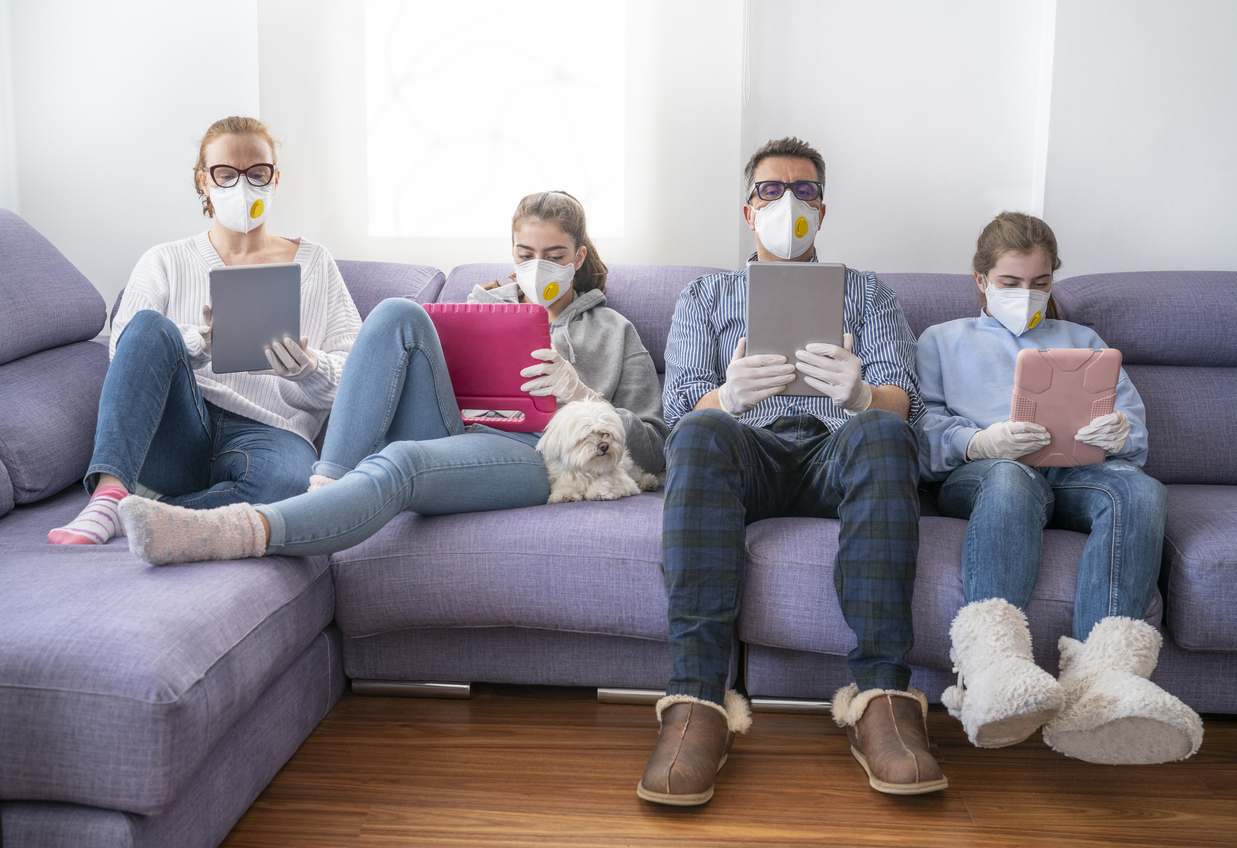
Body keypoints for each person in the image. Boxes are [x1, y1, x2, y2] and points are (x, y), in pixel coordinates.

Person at [116, 191, 668, 563]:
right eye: (526, 253)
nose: (539, 266)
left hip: (531, 454)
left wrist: (581, 394)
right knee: (394, 312)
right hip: (459, 425)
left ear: (578, 256)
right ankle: (326, 487)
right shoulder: (480, 304)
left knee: (400, 462)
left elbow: (657, 444)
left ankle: (236, 532)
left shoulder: (613, 329)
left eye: (554, 254)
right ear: (512, 253)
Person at [640, 136, 945, 806]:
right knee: (699, 430)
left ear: (823, 209)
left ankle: (881, 698)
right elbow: (680, 401)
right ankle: (695, 702)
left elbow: (902, 399)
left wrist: (863, 396)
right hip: (748, 452)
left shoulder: (868, 294)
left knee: (883, 431)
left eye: (803, 190)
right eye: (771, 191)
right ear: (748, 210)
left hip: (841, 452)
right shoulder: (703, 295)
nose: (787, 203)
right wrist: (729, 395)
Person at [916, 212, 1203, 765]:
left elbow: (1132, 431)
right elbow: (919, 432)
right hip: (983, 475)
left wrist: (1118, 432)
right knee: (1009, 475)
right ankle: (994, 666)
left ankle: (1104, 682)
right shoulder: (941, 341)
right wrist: (980, 442)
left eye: (1040, 283)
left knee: (1140, 491)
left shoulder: (1084, 341)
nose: (1027, 295)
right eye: (1010, 283)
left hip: (1072, 474)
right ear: (980, 279)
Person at [49, 116, 361, 546]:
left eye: (257, 173)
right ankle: (107, 496)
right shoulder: (164, 260)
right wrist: (198, 344)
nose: (243, 185)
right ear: (204, 181)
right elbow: (128, 353)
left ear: (274, 178)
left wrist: (308, 368)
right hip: (179, 426)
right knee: (150, 326)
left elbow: (358, 372)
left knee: (288, 488)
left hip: (271, 434)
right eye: (226, 174)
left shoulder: (315, 263)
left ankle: (142, 516)